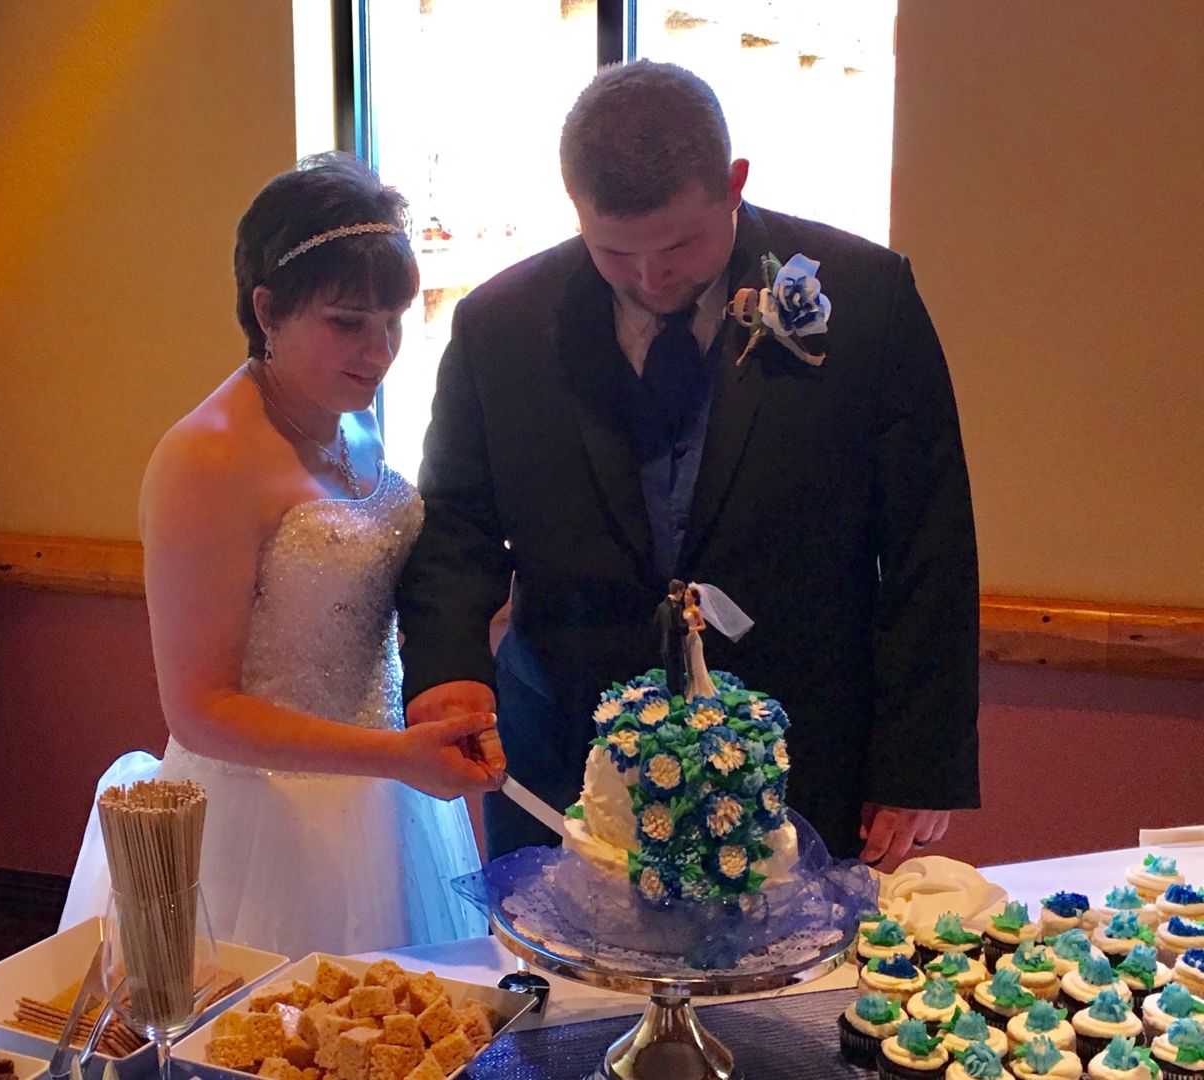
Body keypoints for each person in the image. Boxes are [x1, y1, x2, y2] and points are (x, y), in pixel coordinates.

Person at [398, 60, 979, 868]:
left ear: (734, 183)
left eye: (678, 244)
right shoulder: (499, 324)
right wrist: (447, 669)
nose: (650, 276)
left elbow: (928, 537)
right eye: (614, 250)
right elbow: (456, 522)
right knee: (569, 995)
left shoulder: (869, 298)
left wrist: (920, 761)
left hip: (797, 755)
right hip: (567, 752)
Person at [61, 153, 495, 956]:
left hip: (382, 802)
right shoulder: (207, 456)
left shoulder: (350, 418)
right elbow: (198, 709)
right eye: (347, 322)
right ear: (268, 309)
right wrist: (391, 756)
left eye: (393, 320)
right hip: (262, 817)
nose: (380, 350)